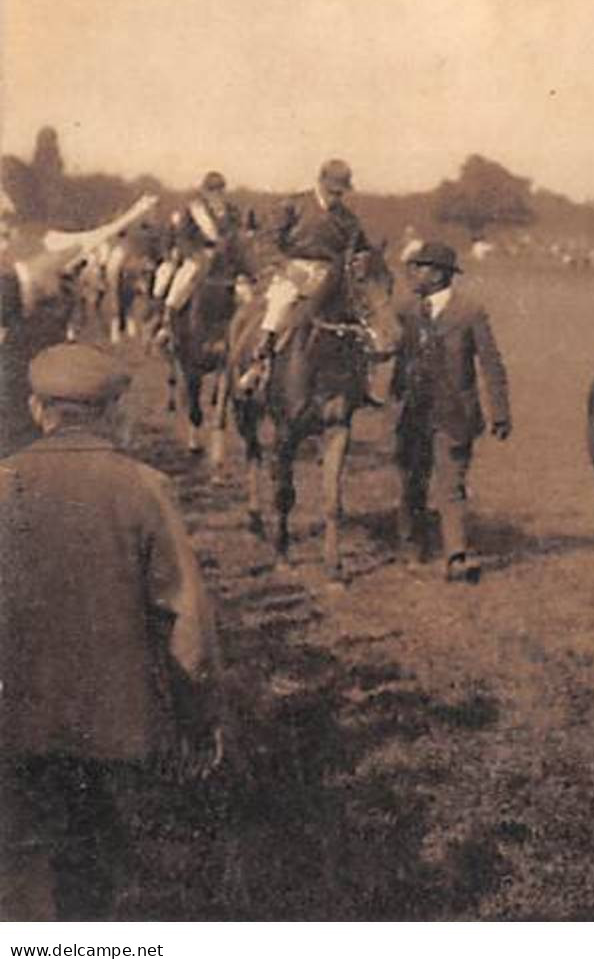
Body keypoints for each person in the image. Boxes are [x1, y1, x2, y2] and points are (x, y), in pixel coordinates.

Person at [0, 343, 222, 919]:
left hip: (14, 716)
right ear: (110, 411)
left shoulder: (4, 483)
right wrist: (198, 716)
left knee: (23, 861)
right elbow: (186, 618)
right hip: (113, 723)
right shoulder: (144, 486)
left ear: (37, 409)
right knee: (91, 865)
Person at [392, 242, 512, 583]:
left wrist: (500, 411)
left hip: (455, 413)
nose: (414, 274)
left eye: (421, 268)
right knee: (412, 482)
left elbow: (491, 362)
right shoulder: (405, 311)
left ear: (440, 274)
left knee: (452, 483)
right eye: (413, 267)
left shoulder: (469, 312)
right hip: (412, 413)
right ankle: (412, 548)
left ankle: (456, 555)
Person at [237, 158, 372, 397]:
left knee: (358, 315)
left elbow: (362, 249)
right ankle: (260, 363)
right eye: (332, 191)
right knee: (280, 304)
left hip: (331, 273)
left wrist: (363, 261)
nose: (336, 198)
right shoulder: (293, 206)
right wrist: (285, 265)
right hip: (293, 269)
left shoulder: (349, 219)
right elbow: (267, 240)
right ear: (320, 183)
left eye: (341, 193)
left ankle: (361, 381)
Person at [155, 171, 245, 346]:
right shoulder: (193, 210)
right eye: (212, 190)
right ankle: (167, 326)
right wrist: (195, 254)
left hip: (226, 259)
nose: (216, 194)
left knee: (245, 290)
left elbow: (237, 236)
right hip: (198, 257)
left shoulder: (232, 211)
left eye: (219, 190)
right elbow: (182, 237)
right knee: (181, 285)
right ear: (204, 191)